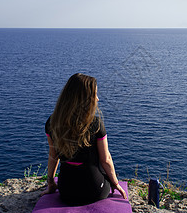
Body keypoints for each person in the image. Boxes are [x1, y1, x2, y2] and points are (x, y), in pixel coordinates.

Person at [42, 73, 127, 205]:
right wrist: (115, 183)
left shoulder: (52, 122)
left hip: (66, 191)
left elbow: (53, 156)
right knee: (98, 162)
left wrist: (51, 183)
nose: (98, 99)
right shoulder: (95, 124)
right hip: (94, 191)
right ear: (85, 99)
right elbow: (106, 160)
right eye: (95, 95)